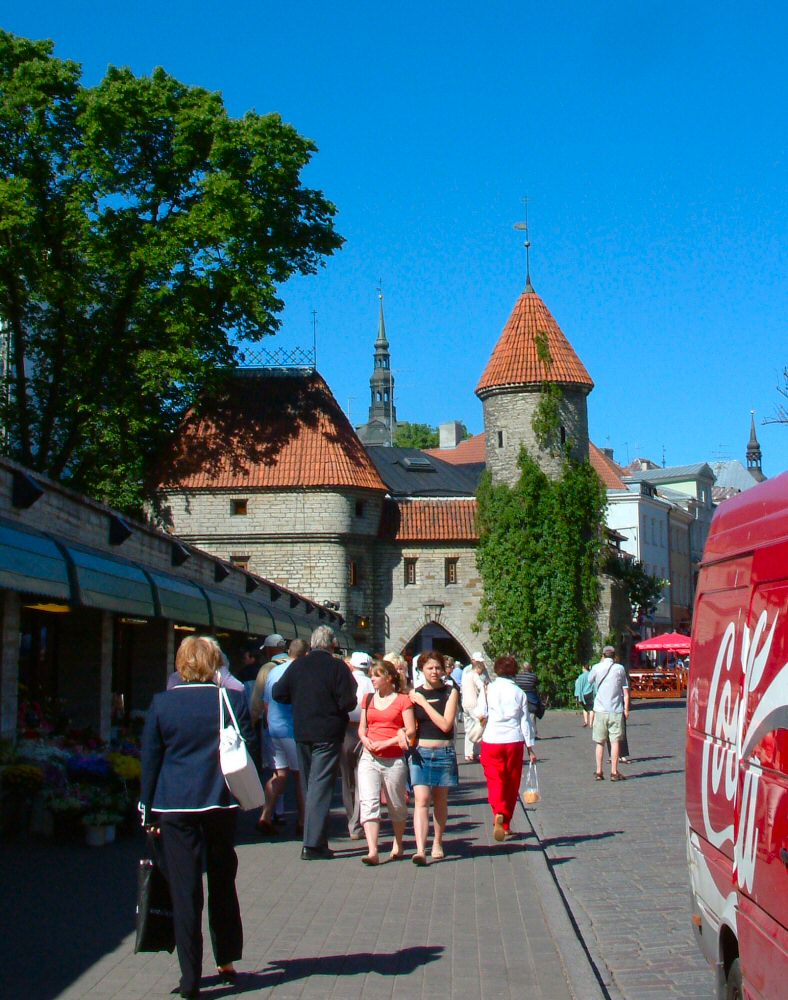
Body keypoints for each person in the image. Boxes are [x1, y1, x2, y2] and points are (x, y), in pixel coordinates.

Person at [140, 635, 254, 999]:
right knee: (223, 879)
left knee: (185, 890)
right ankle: (227, 958)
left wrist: (147, 808)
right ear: (214, 662)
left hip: (175, 804)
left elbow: (151, 760)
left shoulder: (162, 704)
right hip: (220, 800)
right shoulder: (231, 700)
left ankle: (190, 977)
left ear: (182, 664)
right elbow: (248, 745)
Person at [271, 625, 357, 859]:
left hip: (302, 731)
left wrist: (300, 699)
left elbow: (279, 693)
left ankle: (314, 838)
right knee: (320, 786)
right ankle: (312, 844)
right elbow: (348, 701)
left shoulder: (298, 665)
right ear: (332, 644)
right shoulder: (337, 667)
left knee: (310, 786)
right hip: (327, 732)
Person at [357, 659, 416, 865]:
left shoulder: (402, 700)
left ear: (388, 678)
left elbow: (410, 730)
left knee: (397, 805)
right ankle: (372, 850)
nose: (372, 678)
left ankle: (398, 842)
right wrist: (365, 740)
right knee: (369, 802)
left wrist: (387, 743)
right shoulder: (368, 698)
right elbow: (362, 727)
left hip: (393, 759)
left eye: (376, 675)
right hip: (369, 758)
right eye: (371, 674)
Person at [408, 650, 460, 864]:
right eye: (429, 668)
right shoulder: (414, 694)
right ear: (421, 670)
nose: (434, 671)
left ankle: (437, 842)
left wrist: (424, 703)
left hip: (443, 751)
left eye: (437, 667)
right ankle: (420, 849)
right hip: (421, 752)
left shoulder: (450, 692)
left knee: (440, 800)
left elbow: (446, 724)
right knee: (421, 800)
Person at [477, 655, 537, 842]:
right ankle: (506, 823)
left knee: (495, 779)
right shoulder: (519, 693)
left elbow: (480, 713)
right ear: (514, 671)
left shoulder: (488, 689)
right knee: (512, 782)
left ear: (496, 670)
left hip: (492, 739)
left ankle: (498, 811)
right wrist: (530, 747)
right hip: (514, 740)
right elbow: (525, 722)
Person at [255, 639, 309, 837]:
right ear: (305, 654)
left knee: (279, 773)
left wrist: (270, 723)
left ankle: (265, 814)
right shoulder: (300, 672)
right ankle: (303, 822)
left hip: (275, 728)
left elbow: (266, 702)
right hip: (292, 729)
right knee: (300, 777)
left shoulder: (273, 672)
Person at [339, 651, 375, 839]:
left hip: (345, 731)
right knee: (362, 777)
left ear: (351, 665)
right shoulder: (371, 683)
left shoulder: (344, 679)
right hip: (366, 731)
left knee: (347, 779)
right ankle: (358, 821)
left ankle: (351, 818)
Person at [587, 645, 630, 781]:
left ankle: (599, 771)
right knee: (615, 741)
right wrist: (626, 709)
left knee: (600, 742)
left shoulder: (596, 667)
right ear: (614, 656)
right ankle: (613, 771)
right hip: (615, 709)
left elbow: (589, 680)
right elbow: (624, 687)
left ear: (603, 655)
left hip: (600, 709)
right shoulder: (620, 669)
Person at [461, 652, 488, 762]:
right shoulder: (475, 675)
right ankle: (477, 751)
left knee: (468, 729)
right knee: (479, 726)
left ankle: (468, 753)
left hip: (465, 703)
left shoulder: (466, 673)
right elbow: (481, 687)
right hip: (473, 703)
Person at [513, 661, 541, 737]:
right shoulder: (533, 676)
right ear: (530, 668)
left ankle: (521, 733)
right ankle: (532, 734)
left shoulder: (518, 676)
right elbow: (537, 684)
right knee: (532, 716)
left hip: (520, 698)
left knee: (520, 716)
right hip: (531, 698)